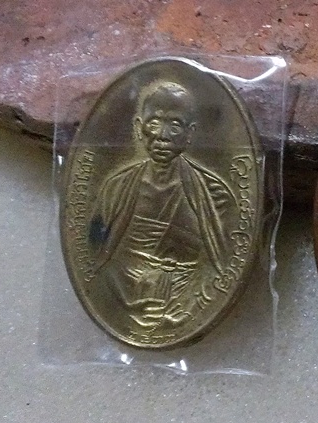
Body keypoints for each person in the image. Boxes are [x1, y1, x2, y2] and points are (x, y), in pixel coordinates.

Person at [88, 81, 235, 330]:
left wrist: (189, 303)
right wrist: (126, 297)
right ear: (139, 128)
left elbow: (225, 263)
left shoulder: (214, 194)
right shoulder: (115, 188)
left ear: (189, 133)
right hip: (125, 293)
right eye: (154, 123)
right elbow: (95, 254)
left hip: (186, 299)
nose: (163, 135)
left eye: (175, 125)